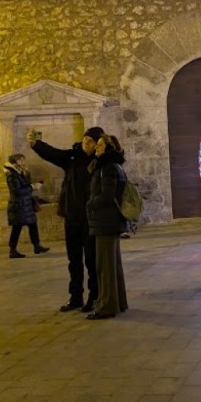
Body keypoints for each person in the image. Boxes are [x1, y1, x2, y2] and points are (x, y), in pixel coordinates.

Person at [29, 126, 104, 312]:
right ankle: (75, 296)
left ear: (97, 144)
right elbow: (53, 154)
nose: (86, 142)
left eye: (91, 141)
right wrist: (36, 144)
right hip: (71, 215)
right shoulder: (73, 157)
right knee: (74, 259)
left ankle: (94, 296)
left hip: (89, 218)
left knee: (91, 260)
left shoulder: (99, 162)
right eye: (86, 138)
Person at [85, 134, 129, 320]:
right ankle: (118, 302)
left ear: (109, 148)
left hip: (105, 221)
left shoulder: (107, 168)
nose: (97, 148)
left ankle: (106, 306)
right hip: (109, 221)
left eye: (101, 145)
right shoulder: (111, 166)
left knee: (105, 266)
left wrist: (89, 203)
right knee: (112, 265)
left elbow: (106, 195)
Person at [4, 153, 50, 259]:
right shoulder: (11, 175)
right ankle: (12, 250)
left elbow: (25, 185)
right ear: (15, 162)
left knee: (32, 224)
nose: (23, 162)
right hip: (18, 205)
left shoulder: (19, 173)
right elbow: (17, 191)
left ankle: (37, 246)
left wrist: (26, 174)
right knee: (17, 227)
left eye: (23, 159)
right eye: (21, 160)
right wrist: (33, 186)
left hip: (25, 204)